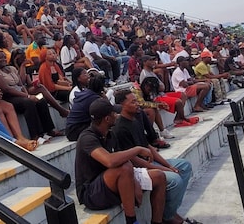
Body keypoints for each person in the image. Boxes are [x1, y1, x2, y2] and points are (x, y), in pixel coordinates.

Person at [75, 98, 167, 224]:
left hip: (113, 182)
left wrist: (134, 182)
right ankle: (131, 221)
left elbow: (124, 160)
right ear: (107, 119)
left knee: (159, 177)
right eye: (113, 113)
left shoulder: (110, 134)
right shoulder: (87, 138)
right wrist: (137, 149)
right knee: (123, 168)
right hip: (91, 192)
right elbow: (110, 161)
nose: (117, 115)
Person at [112, 90, 197, 224]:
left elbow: (148, 146)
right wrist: (165, 170)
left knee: (184, 166)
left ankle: (169, 213)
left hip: (148, 163)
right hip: (137, 169)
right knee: (175, 180)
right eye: (133, 102)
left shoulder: (135, 119)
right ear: (122, 105)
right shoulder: (120, 128)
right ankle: (167, 217)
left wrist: (168, 165)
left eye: (136, 100)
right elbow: (133, 160)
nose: (138, 104)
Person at [0, 49, 61, 141]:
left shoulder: (11, 69)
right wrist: (27, 96)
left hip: (22, 94)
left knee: (40, 98)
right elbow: (7, 89)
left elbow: (21, 84)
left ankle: (49, 130)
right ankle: (35, 136)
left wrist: (27, 94)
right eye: (0, 58)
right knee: (28, 102)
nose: (3, 59)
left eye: (4, 57)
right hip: (9, 97)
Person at [66, 68, 107, 141]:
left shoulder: (88, 93)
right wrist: (105, 98)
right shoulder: (88, 96)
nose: (88, 76)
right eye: (85, 74)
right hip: (74, 130)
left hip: (79, 125)